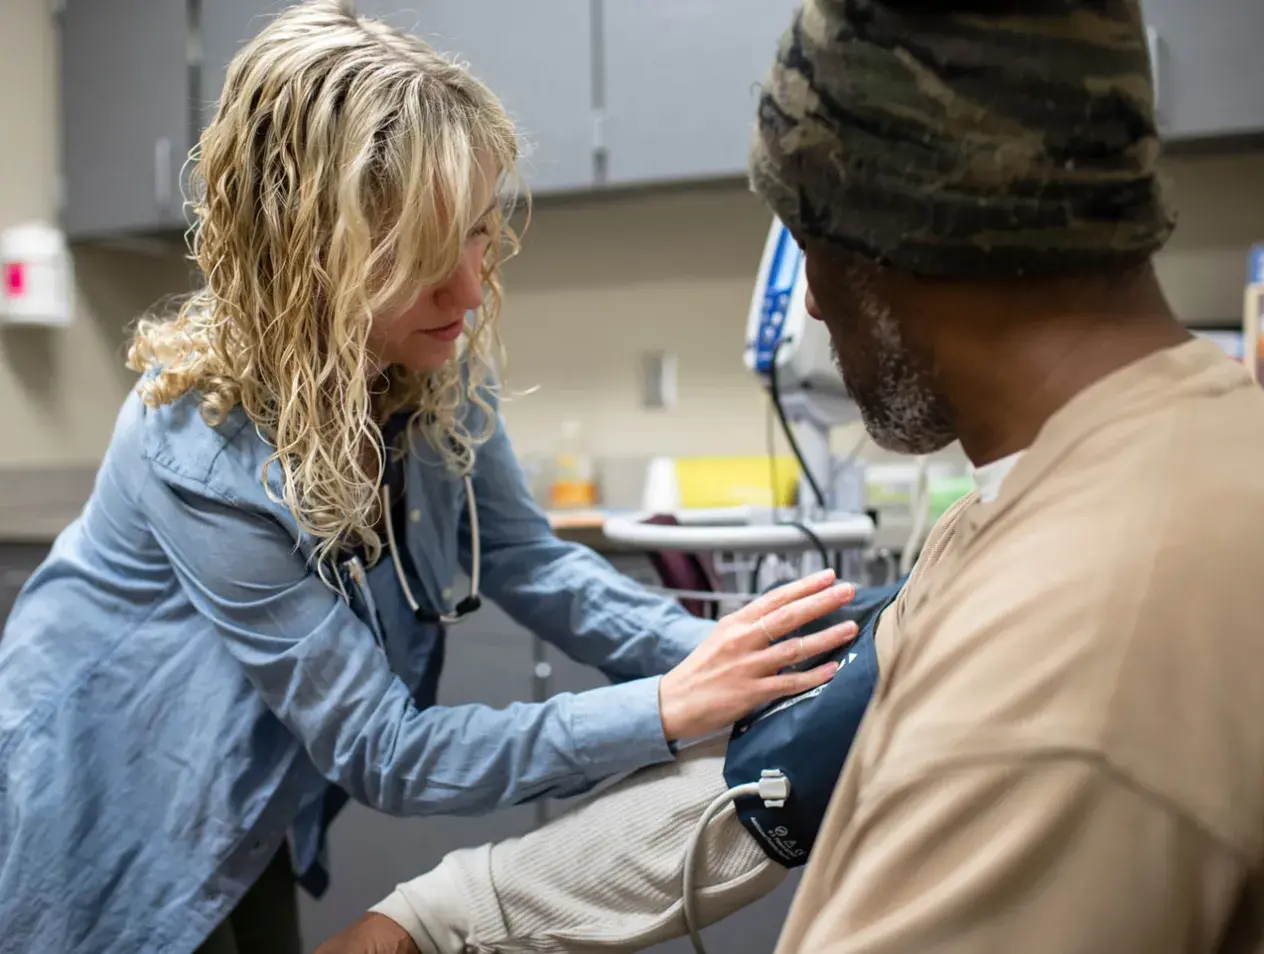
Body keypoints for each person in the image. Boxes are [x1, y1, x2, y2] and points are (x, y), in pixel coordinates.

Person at [319, 0, 1264, 952]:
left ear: (894, 234)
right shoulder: (1040, 501)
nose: (810, 297)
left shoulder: (1060, 685)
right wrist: (442, 915)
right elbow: (778, 779)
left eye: (809, 241)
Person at [0, 3, 861, 953]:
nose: (466, 288)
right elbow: (384, 750)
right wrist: (664, 708)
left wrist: (745, 661)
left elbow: (530, 562)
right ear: (303, 259)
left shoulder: (423, 354)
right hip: (98, 807)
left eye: (480, 233)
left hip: (239, 806)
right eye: (418, 257)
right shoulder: (200, 447)